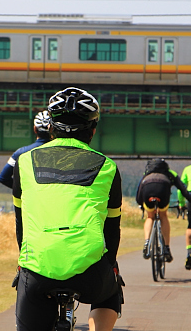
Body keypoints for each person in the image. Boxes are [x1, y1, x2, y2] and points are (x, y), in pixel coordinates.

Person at [12, 87, 123, 331]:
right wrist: (111, 265)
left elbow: (21, 224)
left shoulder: (24, 162)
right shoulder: (108, 167)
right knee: (110, 291)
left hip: (38, 268)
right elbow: (111, 230)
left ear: (50, 127)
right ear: (93, 129)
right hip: (89, 272)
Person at [136, 158, 191, 264]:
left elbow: (139, 190)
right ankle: (166, 248)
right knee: (163, 216)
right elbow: (184, 191)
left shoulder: (147, 173)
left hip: (147, 190)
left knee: (150, 217)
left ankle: (147, 242)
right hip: (162, 190)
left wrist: (140, 203)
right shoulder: (170, 173)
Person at [0, 110, 51, 189]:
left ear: (35, 129)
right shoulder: (63, 152)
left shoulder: (20, 153)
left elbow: (3, 178)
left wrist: (24, 190)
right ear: (52, 129)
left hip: (31, 199)